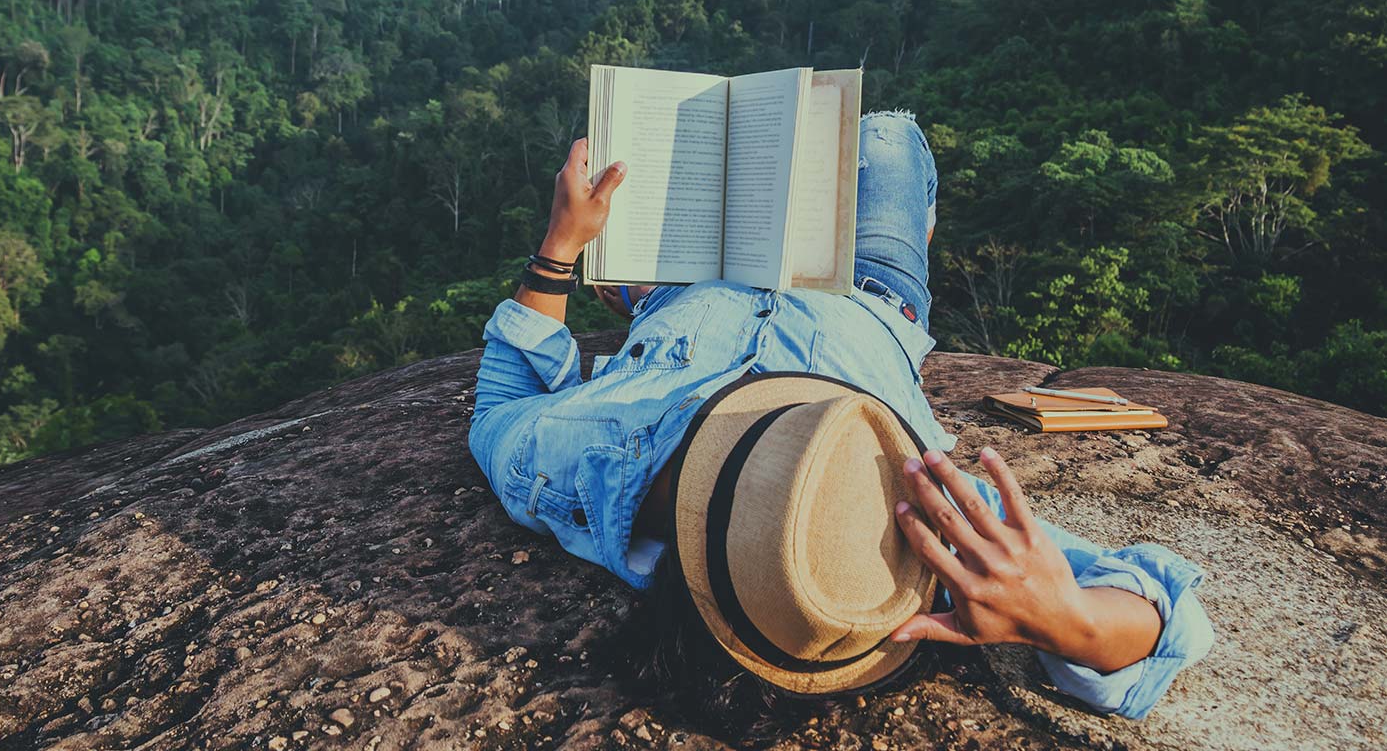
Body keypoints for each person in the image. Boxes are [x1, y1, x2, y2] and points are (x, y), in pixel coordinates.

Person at [468, 112, 1212, 719]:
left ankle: (631, 291)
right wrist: (1066, 621)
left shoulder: (589, 465)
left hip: (691, 285)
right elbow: (1165, 623)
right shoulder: (886, 515)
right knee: (886, 134)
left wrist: (561, 246)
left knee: (661, 145)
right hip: (865, 291)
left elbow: (501, 404)